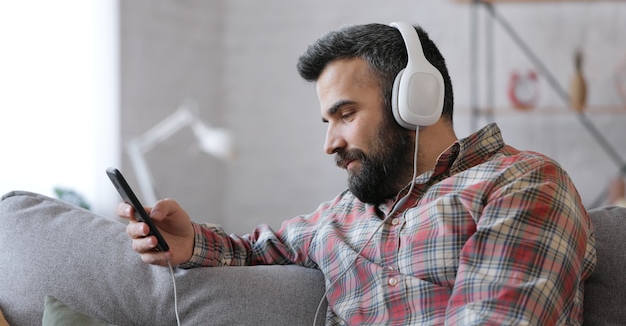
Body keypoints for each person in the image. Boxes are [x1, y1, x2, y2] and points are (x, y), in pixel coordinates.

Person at [117, 22, 596, 325]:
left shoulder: (523, 184)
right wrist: (189, 243)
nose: (330, 143)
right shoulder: (343, 217)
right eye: (327, 122)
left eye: (345, 115)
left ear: (416, 102)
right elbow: (257, 249)